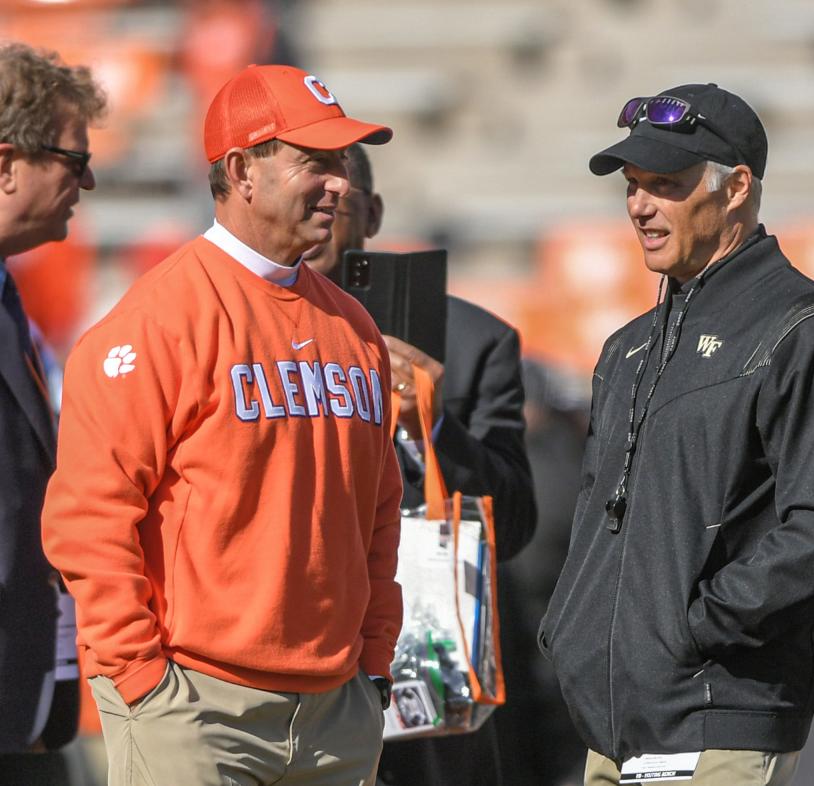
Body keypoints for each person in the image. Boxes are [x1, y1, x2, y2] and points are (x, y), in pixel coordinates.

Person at [42, 64, 403, 786]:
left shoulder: (354, 325)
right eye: (316, 162)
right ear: (241, 170)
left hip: (334, 711)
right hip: (194, 702)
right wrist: (142, 678)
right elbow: (88, 520)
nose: (339, 182)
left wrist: (372, 666)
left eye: (342, 163)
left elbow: (378, 512)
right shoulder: (156, 321)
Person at [538, 83, 814, 786]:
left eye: (665, 185)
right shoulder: (627, 348)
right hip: (612, 730)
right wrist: (573, 634)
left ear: (736, 189)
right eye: (634, 187)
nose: (640, 206)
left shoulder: (812, 332)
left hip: (717, 721)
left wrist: (688, 632)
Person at [303, 144, 537, 786]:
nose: (317, 215)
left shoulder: (473, 341)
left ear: (372, 214)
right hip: (293, 668)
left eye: (338, 201)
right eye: (303, 195)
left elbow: (512, 523)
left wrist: (432, 427)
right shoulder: (237, 330)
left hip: (424, 680)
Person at [0, 42, 105, 776]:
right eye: (73, 161)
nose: (87, 183)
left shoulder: (11, 297)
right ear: (6, 164)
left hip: (27, 696)